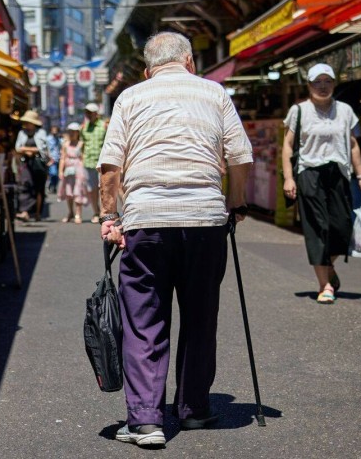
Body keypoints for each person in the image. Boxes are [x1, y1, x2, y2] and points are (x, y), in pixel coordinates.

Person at [98, 32, 252, 449]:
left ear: (147, 69)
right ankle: (194, 410)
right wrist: (236, 204)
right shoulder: (214, 93)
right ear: (189, 61)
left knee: (144, 319)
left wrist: (110, 217)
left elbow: (111, 165)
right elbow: (239, 156)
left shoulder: (130, 97)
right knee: (201, 316)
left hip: (146, 220)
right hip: (204, 219)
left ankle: (146, 421)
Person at [282, 63, 361, 304]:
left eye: (327, 81)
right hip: (310, 173)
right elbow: (288, 145)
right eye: (317, 82)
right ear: (309, 85)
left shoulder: (344, 111)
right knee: (317, 228)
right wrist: (289, 177)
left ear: (333, 84)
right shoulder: (299, 111)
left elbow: (353, 144)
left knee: (342, 228)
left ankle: (328, 268)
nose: (323, 86)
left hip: (339, 174)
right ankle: (325, 285)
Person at [14, 110, 49, 221]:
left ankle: (37, 213)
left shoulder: (41, 132)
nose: (27, 125)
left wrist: (28, 150)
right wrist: (28, 150)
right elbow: (18, 148)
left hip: (39, 164)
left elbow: (41, 148)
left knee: (39, 189)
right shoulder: (22, 133)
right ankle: (25, 211)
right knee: (25, 184)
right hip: (26, 163)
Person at [57, 122, 89, 223]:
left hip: (78, 170)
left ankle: (78, 214)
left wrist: (84, 171)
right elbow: (62, 158)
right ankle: (70, 212)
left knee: (77, 192)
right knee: (68, 192)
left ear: (77, 133)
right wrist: (60, 171)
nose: (71, 134)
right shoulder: (65, 144)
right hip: (68, 170)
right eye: (70, 132)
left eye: (74, 132)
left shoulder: (81, 144)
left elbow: (83, 158)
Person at [82, 102, 108, 223]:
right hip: (88, 162)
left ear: (96, 113)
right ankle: (96, 212)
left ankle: (104, 212)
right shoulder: (84, 127)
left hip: (102, 162)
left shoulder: (104, 126)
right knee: (91, 189)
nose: (88, 114)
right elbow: (82, 144)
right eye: (86, 112)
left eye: (90, 112)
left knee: (103, 188)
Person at [46, 125, 62, 194]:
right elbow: (46, 149)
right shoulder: (48, 139)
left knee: (57, 175)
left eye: (56, 130)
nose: (55, 131)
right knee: (53, 173)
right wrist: (49, 158)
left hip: (58, 159)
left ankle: (54, 186)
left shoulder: (59, 139)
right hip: (51, 159)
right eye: (53, 130)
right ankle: (50, 185)